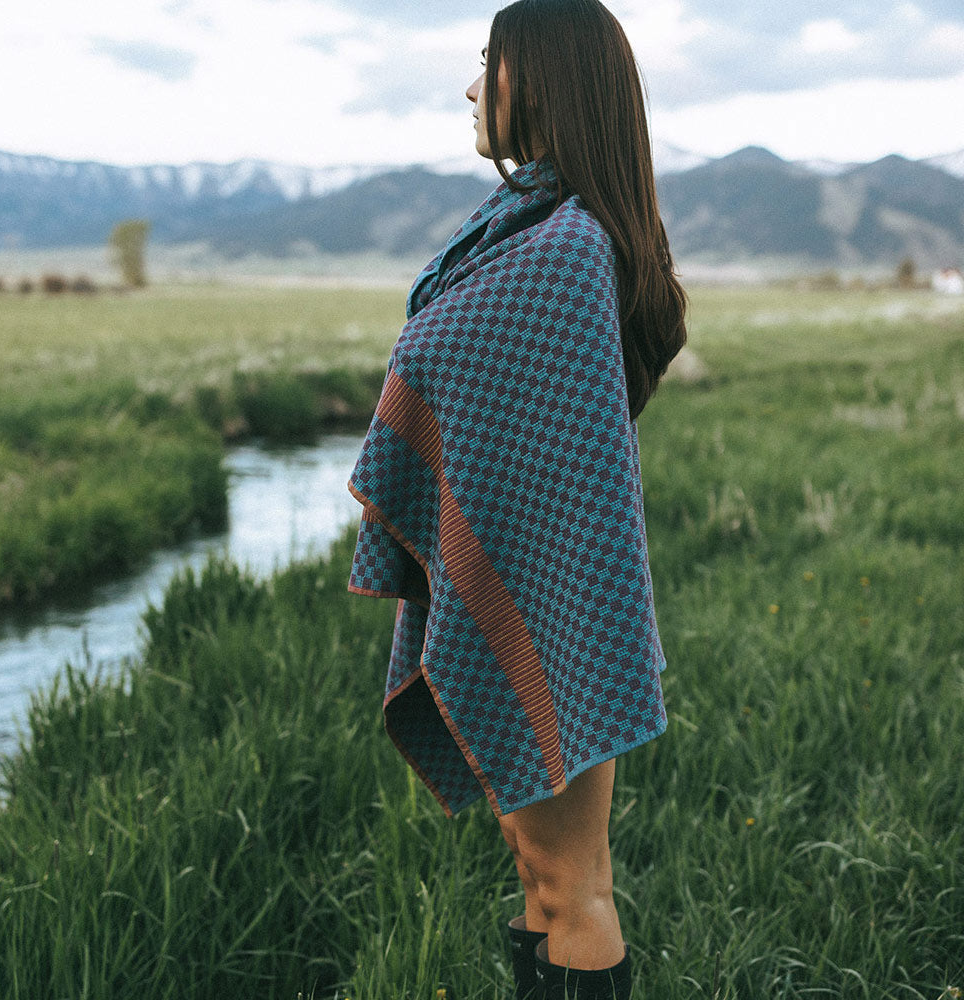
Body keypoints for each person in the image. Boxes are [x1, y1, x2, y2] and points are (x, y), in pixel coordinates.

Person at [346, 1, 687, 997]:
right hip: (529, 578)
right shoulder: (523, 229)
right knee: (539, 880)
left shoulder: (564, 252)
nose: (468, 86)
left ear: (537, 79)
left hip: (559, 598)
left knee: (571, 880)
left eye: (486, 62)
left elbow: (568, 463)